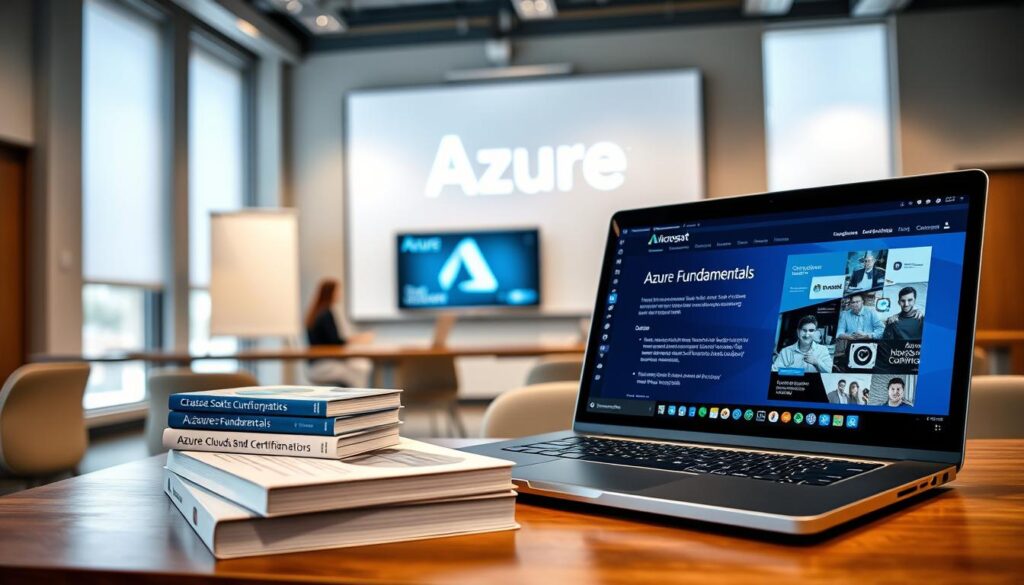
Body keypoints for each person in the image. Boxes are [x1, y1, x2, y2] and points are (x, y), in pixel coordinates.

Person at [305, 279, 373, 387]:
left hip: (316, 364)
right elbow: (335, 342)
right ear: (330, 293)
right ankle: (358, 401)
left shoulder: (316, 312)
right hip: (324, 365)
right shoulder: (326, 314)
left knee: (359, 366)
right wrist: (357, 339)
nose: (340, 294)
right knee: (361, 368)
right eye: (338, 291)